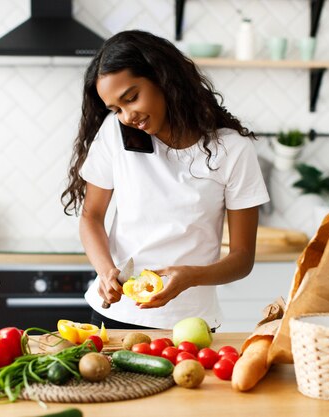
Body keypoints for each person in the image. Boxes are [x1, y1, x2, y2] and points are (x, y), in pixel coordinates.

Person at [61, 30, 270, 330]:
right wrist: (106, 271)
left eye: (131, 98)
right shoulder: (115, 133)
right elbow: (91, 216)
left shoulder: (233, 150)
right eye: (116, 109)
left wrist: (191, 277)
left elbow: (242, 259)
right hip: (115, 316)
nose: (126, 116)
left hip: (190, 323)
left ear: (163, 77)